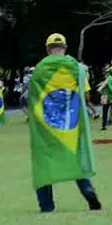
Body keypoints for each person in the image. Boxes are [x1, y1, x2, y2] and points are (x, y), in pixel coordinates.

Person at [29, 33, 101, 213]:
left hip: (47, 126)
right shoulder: (77, 68)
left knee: (43, 161)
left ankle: (46, 206)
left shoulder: (40, 69)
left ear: (47, 49)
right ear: (65, 47)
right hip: (72, 124)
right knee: (75, 158)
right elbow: (85, 95)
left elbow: (34, 96)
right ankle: (88, 190)